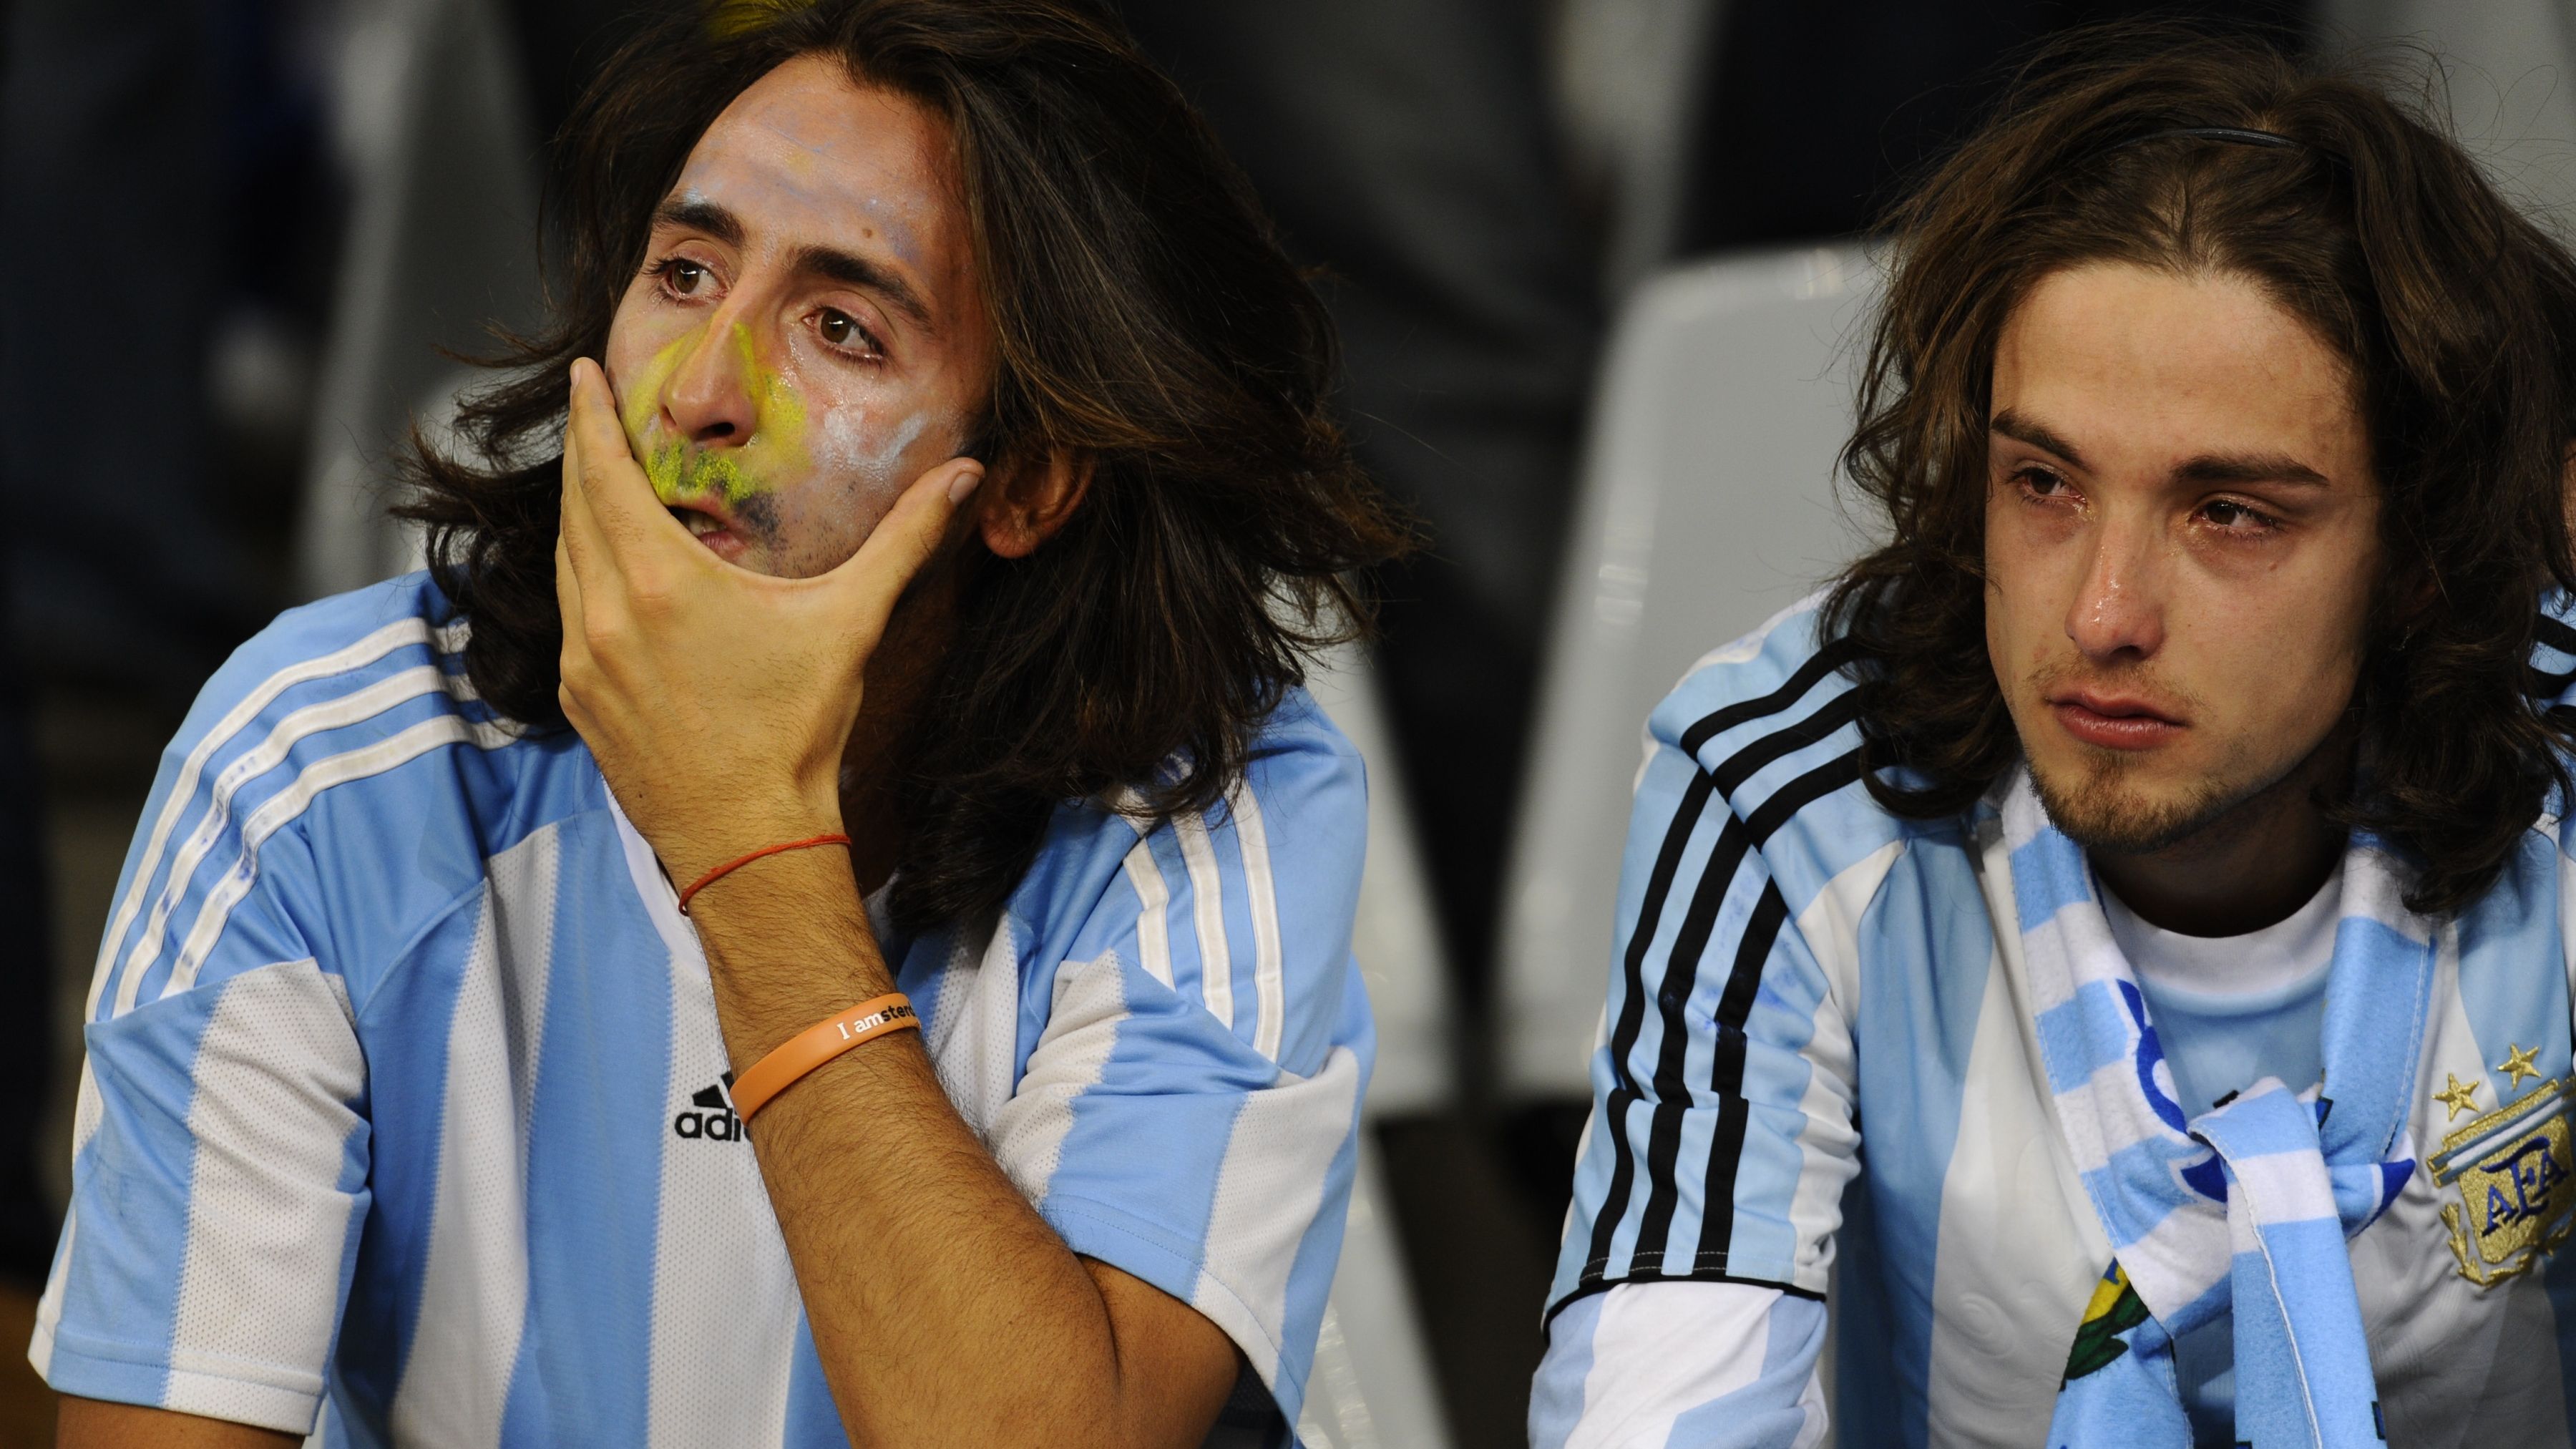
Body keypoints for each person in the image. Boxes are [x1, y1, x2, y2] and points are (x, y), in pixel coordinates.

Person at [36, 1, 1409, 1444]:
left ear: (1026, 484)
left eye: (843, 328)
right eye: (684, 272)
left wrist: (748, 836)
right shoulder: (313, 758)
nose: (698, 392)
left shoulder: (1207, 805)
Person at [1533, 29, 2576, 1448]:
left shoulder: (2551, 746)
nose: (2101, 612)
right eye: (2044, 482)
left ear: (2423, 557)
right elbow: (1660, 1412)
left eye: (2230, 513)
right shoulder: (1785, 787)